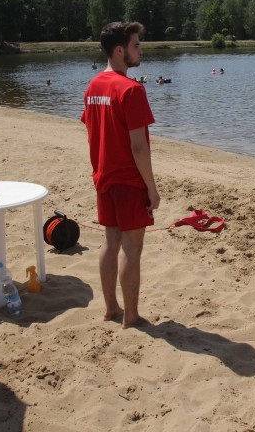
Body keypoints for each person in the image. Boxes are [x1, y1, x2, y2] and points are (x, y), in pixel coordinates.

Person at [81, 21, 160, 328]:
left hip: (103, 177)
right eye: (136, 45)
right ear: (119, 50)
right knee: (131, 247)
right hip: (128, 180)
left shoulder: (93, 86)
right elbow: (139, 147)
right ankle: (131, 315)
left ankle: (111, 308)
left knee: (110, 242)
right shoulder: (132, 90)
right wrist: (151, 189)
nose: (140, 50)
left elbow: (91, 129)